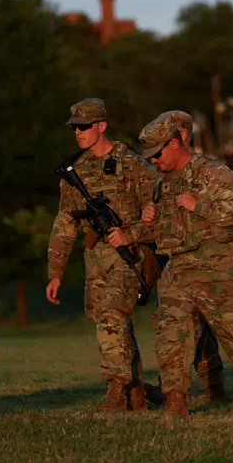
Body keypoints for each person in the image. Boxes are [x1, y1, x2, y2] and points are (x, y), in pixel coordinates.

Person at [111, 114, 233, 417]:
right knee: (171, 336)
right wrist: (143, 226)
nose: (154, 161)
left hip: (220, 269)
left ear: (175, 142)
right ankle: (175, 402)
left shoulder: (212, 173)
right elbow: (169, 228)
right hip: (179, 269)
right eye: (150, 157)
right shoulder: (163, 183)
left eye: (158, 154)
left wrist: (199, 205)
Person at [46, 98, 153, 413]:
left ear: (101, 126)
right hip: (96, 261)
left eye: (84, 127)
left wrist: (132, 234)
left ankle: (115, 394)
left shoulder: (133, 163)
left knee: (111, 318)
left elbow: (160, 212)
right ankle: (136, 395)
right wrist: (56, 272)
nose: (78, 133)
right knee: (115, 326)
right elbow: (65, 224)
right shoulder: (74, 170)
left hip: (129, 256)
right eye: (74, 128)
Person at [152, 110, 227, 405]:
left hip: (211, 261)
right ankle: (174, 393)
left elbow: (232, 213)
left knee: (216, 330)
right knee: (175, 326)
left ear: (183, 135)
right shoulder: (163, 175)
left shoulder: (210, 169)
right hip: (176, 261)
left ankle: (215, 386)